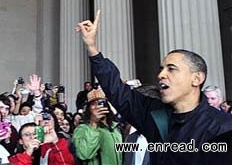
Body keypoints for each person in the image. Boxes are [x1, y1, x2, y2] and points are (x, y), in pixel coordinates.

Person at [76, 10, 232, 164]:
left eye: (171, 68)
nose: (161, 75)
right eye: (161, 69)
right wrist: (92, 48)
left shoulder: (221, 128)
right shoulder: (154, 114)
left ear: (196, 78)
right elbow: (117, 90)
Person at [72, 88, 123, 165]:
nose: (97, 106)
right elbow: (84, 154)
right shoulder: (82, 129)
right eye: (93, 104)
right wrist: (94, 123)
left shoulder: (116, 128)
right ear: (88, 108)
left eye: (100, 102)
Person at [9, 122, 74, 165]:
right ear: (21, 141)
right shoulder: (14, 158)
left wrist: (55, 141)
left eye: (35, 134)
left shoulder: (50, 153)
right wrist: (28, 153)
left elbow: (66, 163)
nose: (32, 137)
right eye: (27, 134)